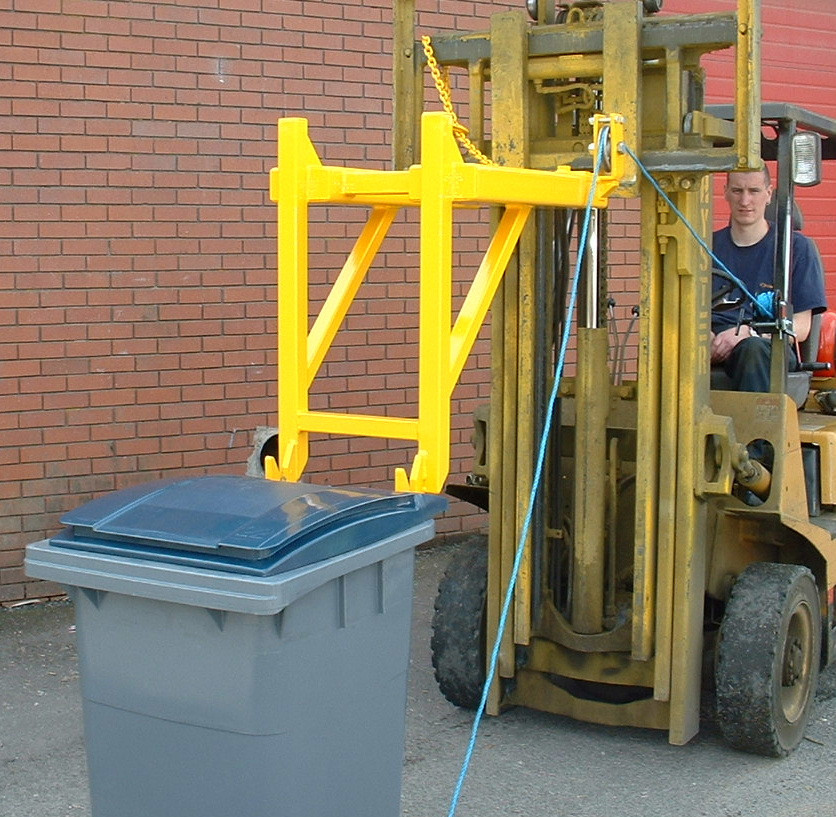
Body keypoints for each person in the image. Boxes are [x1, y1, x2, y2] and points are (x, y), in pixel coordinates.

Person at [711, 166, 827, 393]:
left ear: (769, 193)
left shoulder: (796, 248)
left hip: (767, 344)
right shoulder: (706, 246)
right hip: (713, 341)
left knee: (752, 350)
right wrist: (704, 338)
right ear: (725, 192)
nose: (745, 201)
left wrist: (746, 334)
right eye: (737, 190)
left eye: (754, 191)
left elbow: (801, 327)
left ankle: (754, 418)